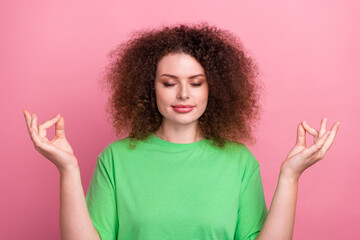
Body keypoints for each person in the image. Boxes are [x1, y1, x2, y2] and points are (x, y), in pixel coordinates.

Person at [23, 23, 340, 240]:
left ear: (212, 88)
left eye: (196, 82)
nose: (184, 95)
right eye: (169, 83)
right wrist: (68, 169)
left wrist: (290, 175)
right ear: (151, 88)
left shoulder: (240, 162)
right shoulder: (116, 159)